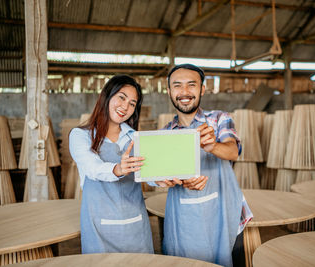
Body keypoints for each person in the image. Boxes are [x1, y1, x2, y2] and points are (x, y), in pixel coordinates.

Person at [162, 64, 253, 267]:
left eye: (191, 85)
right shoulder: (167, 130)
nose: (184, 92)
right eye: (177, 86)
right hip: (184, 217)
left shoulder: (220, 118)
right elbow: (159, 175)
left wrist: (212, 145)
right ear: (169, 92)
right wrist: (169, 179)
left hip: (224, 212)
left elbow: (233, 151)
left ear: (202, 89)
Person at [69, 74, 154, 254]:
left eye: (132, 103)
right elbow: (92, 168)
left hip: (136, 225)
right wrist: (118, 168)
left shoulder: (135, 138)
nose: (126, 107)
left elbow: (150, 173)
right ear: (107, 96)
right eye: (122, 98)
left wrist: (166, 178)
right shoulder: (81, 136)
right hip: (99, 227)